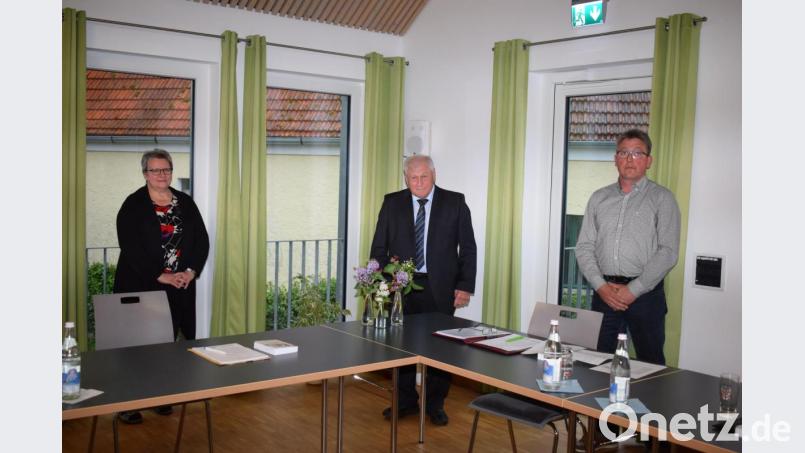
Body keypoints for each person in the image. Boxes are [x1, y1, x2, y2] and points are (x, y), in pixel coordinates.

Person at [370, 154, 477, 426]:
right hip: (401, 286)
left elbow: (468, 247)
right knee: (400, 348)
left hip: (440, 287)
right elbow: (379, 247)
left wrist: (465, 286)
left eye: (423, 177)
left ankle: (435, 404)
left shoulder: (455, 202)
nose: (418, 182)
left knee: (442, 350)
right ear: (405, 178)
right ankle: (405, 401)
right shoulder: (392, 202)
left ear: (434, 175)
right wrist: (380, 283)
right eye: (413, 177)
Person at [113, 149, 210, 424]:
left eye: (166, 169)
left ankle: (161, 396)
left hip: (179, 285)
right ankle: (128, 403)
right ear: (145, 173)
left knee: (168, 344)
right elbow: (130, 247)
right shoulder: (133, 205)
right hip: (142, 283)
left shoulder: (185, 203)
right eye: (155, 170)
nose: (162, 175)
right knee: (137, 346)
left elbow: (201, 240)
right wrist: (161, 275)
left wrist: (190, 272)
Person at [575, 129, 680, 365]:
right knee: (599, 362)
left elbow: (668, 251)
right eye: (623, 152)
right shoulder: (598, 198)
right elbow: (584, 247)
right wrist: (601, 287)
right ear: (615, 159)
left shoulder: (662, 199)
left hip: (645, 297)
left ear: (649, 161)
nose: (629, 159)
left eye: (637, 153)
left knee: (650, 364)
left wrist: (633, 289)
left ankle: (652, 403)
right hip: (605, 295)